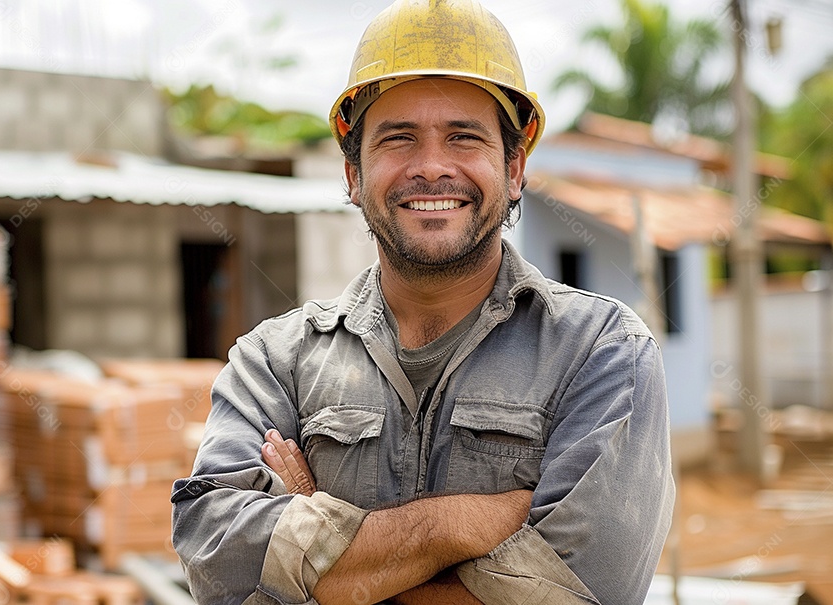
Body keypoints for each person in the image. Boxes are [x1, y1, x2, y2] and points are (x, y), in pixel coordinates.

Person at [171, 1, 675, 603]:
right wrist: (459, 526)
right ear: (354, 173)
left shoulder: (603, 353)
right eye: (398, 138)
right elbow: (218, 564)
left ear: (513, 168)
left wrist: (316, 542)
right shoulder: (273, 363)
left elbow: (583, 590)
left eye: (463, 137)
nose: (432, 168)